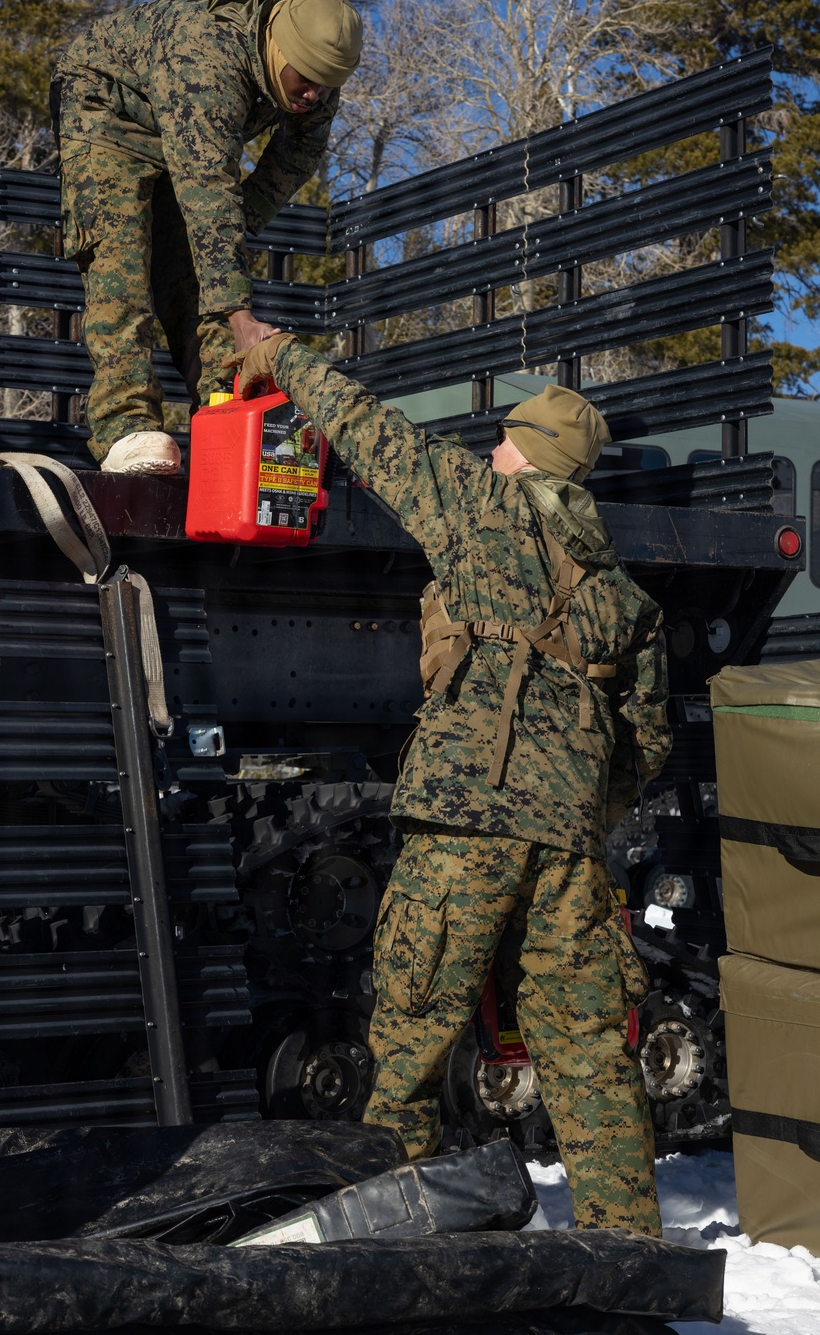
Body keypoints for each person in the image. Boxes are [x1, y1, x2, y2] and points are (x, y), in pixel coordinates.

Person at [230, 334, 673, 1236]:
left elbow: (363, 425)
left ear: (527, 455)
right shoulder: (623, 595)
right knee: (589, 1054)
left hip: (467, 823)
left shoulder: (478, 509)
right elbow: (647, 742)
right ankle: (630, 1256)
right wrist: (581, 808)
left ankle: (410, 1245)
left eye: (506, 438)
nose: (493, 450)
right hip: (571, 846)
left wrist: (274, 351)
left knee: (410, 1045)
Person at [50, 0, 362, 474]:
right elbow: (208, 188)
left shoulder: (317, 77)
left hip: (188, 135)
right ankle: (126, 427)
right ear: (278, 46)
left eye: (328, 83)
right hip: (106, 111)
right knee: (122, 264)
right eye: (305, 77)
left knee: (203, 283)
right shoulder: (208, 57)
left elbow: (295, 157)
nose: (314, 92)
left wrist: (243, 223)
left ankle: (226, 419)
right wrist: (238, 309)